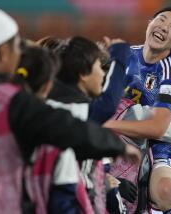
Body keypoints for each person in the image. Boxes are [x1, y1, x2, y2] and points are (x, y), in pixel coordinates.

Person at [0, 7, 139, 213]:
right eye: (16, 48)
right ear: (3, 52)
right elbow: (65, 128)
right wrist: (115, 146)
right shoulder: (10, 101)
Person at [104, 6, 171, 214]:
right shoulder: (122, 55)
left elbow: (157, 128)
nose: (164, 27)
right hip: (114, 134)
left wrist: (108, 123)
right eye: (161, 20)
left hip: (154, 142)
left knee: (167, 191)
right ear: (149, 23)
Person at [47, 36, 131, 213]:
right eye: (98, 67)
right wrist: (120, 53)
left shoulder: (50, 106)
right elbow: (108, 103)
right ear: (84, 74)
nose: (102, 73)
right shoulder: (71, 111)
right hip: (69, 203)